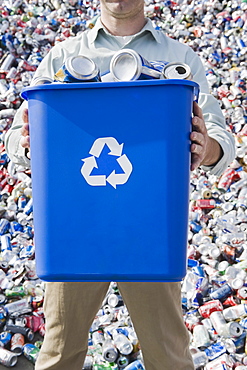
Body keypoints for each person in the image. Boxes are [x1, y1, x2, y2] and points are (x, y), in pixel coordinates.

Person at [5, 1, 235, 370]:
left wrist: (206, 147)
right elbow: (19, 137)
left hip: (151, 227)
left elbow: (220, 138)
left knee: (168, 352)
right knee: (60, 349)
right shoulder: (65, 55)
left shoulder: (179, 56)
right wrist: (28, 142)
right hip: (74, 228)